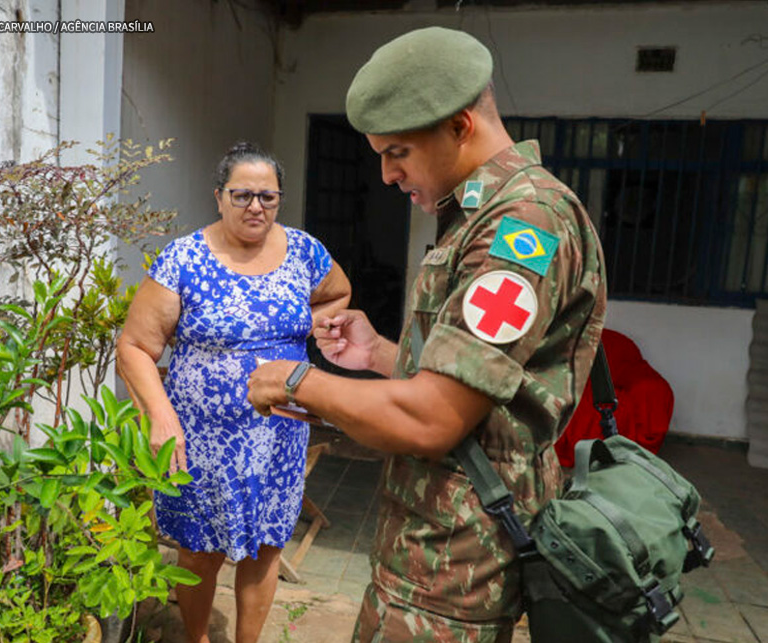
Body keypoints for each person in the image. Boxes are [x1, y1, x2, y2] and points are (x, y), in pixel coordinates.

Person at [246, 27, 607, 642]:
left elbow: (434, 418)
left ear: (460, 126)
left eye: (398, 153)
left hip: (456, 567)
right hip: (431, 550)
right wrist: (380, 354)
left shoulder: (523, 224)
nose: (387, 175)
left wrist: (298, 380)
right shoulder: (480, 214)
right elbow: (478, 388)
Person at [116, 141, 351, 643]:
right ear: (219, 196)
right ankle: (198, 637)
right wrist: (161, 418)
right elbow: (134, 346)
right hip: (199, 437)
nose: (256, 207)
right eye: (242, 195)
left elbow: (337, 294)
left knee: (267, 546)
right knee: (200, 550)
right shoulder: (184, 258)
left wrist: (308, 330)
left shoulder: (305, 251)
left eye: (268, 197)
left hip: (280, 434)